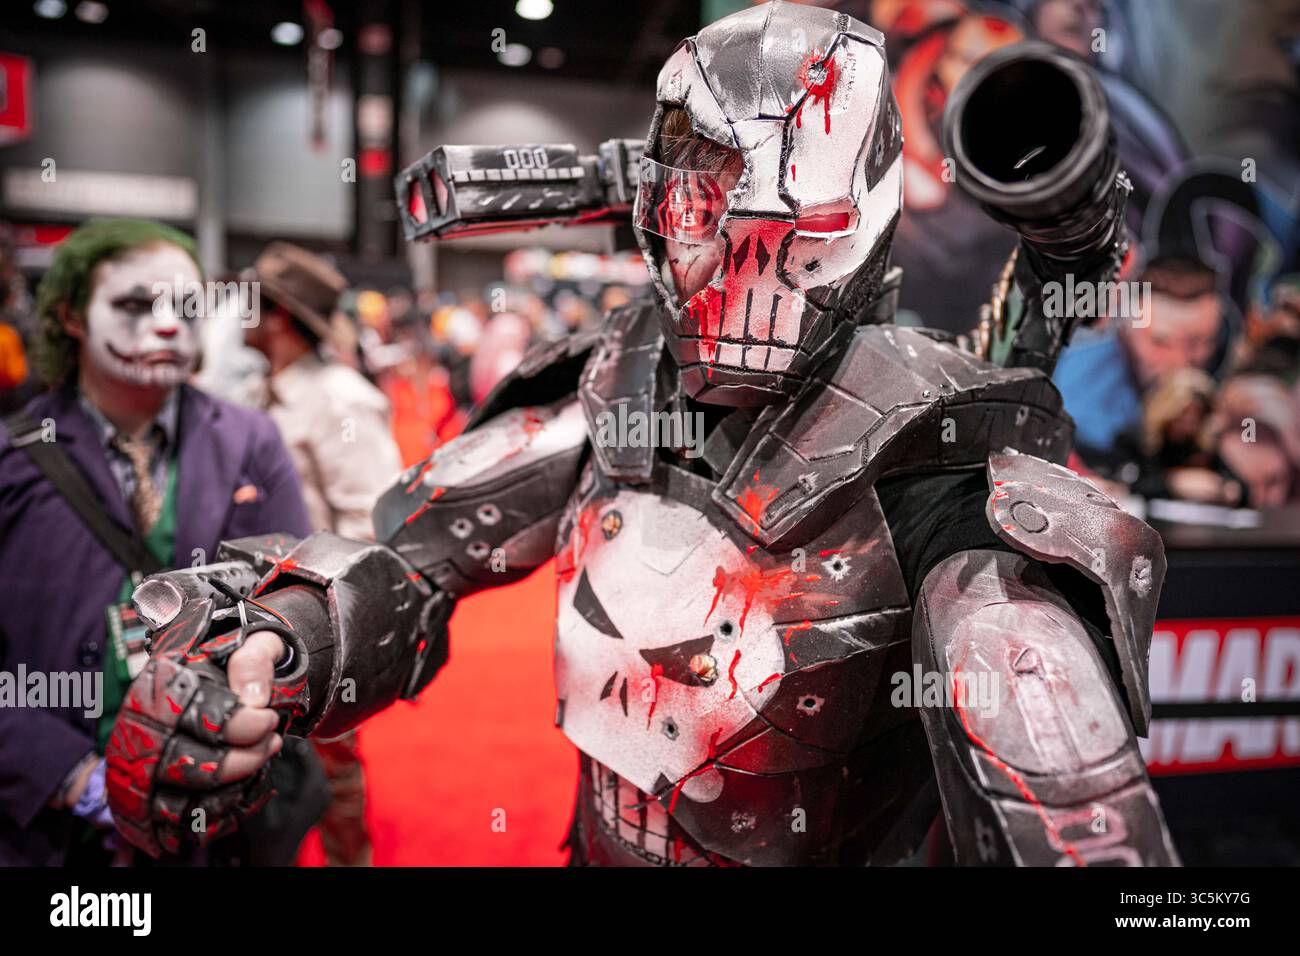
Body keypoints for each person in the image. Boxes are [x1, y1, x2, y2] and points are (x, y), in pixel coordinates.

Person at [108, 4, 1178, 866]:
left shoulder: (935, 455)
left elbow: (1075, 821)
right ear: (663, 203)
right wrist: (278, 648)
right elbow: (407, 567)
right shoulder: (621, 382)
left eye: (784, 233)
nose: (735, 268)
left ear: (846, 221)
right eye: (704, 208)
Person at [0, 218, 314, 866]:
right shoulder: (12, 456)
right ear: (71, 316)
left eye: (187, 306)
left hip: (217, 819)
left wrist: (268, 663)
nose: (169, 325)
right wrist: (69, 777)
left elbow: (299, 593)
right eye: (136, 305)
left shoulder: (251, 439)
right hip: (45, 834)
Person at [241, 241, 403, 866]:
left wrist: (334, 635)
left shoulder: (340, 398)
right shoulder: (268, 392)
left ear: (278, 314)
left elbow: (373, 527)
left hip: (317, 623)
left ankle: (348, 859)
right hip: (259, 614)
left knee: (333, 765)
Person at [1054, 255, 1224, 464]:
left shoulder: (1227, 376)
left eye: (1199, 343)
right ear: (1125, 330)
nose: (1180, 362)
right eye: (1161, 342)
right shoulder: (1077, 389)